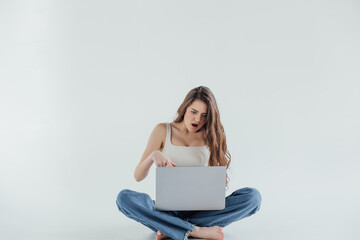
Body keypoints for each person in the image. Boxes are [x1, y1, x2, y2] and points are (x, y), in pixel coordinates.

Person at [116, 86, 262, 240]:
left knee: (253, 197)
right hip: (167, 210)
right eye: (193, 112)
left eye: (204, 115)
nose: (198, 120)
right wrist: (153, 156)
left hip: (203, 211)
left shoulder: (212, 135)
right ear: (184, 108)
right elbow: (138, 176)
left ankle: (171, 228)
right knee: (124, 198)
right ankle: (195, 230)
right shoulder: (162, 130)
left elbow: (216, 182)